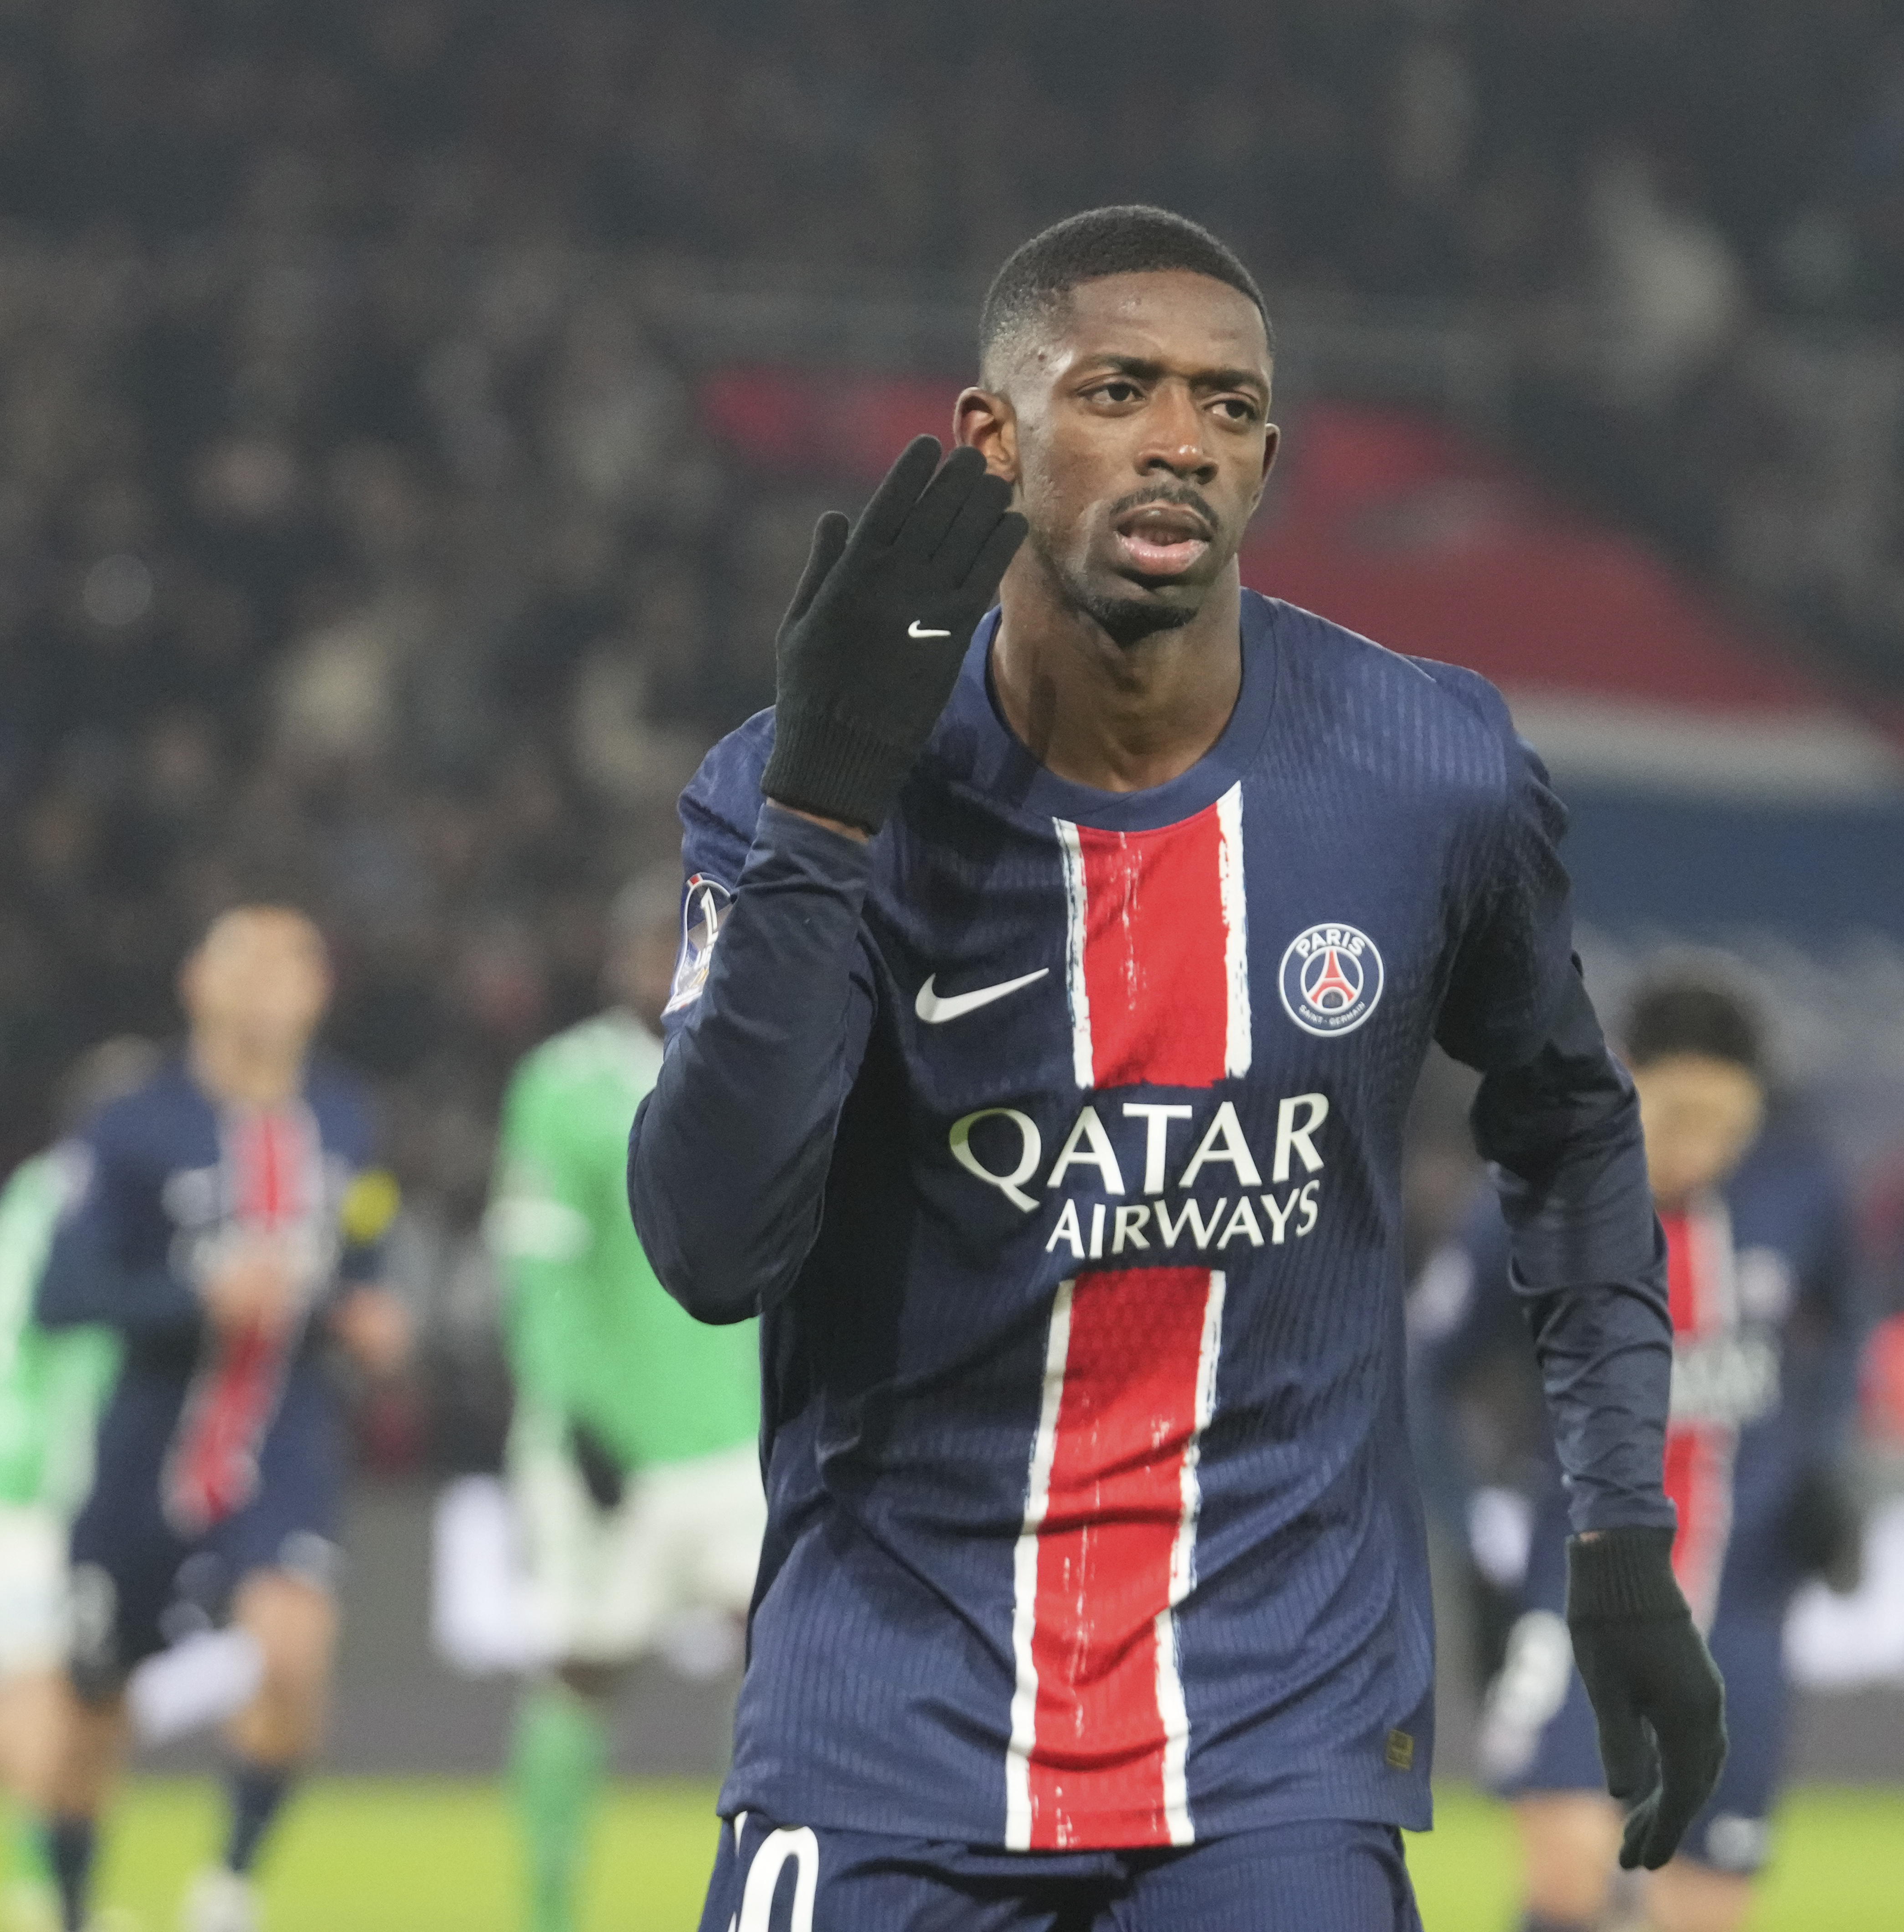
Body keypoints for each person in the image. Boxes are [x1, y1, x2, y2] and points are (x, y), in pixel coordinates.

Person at [629, 204, 1725, 1927]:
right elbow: (709, 1245)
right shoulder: (801, 788)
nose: (1178, 442)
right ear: (992, 439)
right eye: (1119, 389)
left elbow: (1575, 1131)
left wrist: (1617, 1532)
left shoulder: (1426, 768)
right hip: (888, 1726)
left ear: (1270, 461)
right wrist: (824, 820)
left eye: (1227, 408)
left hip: (1275, 1736)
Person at [1415, 968, 1861, 1932]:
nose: (1702, 1143)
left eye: (1726, 1120)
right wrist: (1473, 1545)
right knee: (1573, 1865)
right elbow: (1418, 1374)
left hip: (1740, 1601)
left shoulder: (1799, 1191)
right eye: (1681, 1112)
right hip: (1574, 1593)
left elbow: (1850, 1329)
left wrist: (1823, 1462)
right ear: (1623, 1079)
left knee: (1702, 1909)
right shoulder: (1533, 1199)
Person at [32, 906, 411, 1932]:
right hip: (149, 1442)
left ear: (319, 989)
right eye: (243, 958)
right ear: (196, 979)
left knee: (292, 1650)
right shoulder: (131, 1120)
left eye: (291, 959)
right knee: (89, 1709)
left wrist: (371, 1311)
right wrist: (196, 1297)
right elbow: (60, 1291)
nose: (265, 980)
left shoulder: (344, 1119)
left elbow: (369, 1233)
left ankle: (226, 1892)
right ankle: (69, 1905)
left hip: (283, 1429)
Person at [486, 867, 765, 1932]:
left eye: (691, 937)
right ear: (622, 957)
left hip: (737, 1434)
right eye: (657, 939)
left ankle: (756, 1892)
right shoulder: (564, 1083)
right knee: (583, 1666)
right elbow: (538, 1270)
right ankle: (548, 1909)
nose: (672, 955)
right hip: (610, 1441)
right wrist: (572, 1415)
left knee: (773, 1659)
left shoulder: (748, 1072)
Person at [0, 1040, 165, 1931]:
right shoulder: (89, 1193)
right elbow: (73, 1337)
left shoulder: (46, 1188)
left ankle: (36, 1889)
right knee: (45, 1695)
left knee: (58, 1695)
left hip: (20, 1470)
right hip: (30, 1479)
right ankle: (40, 1894)